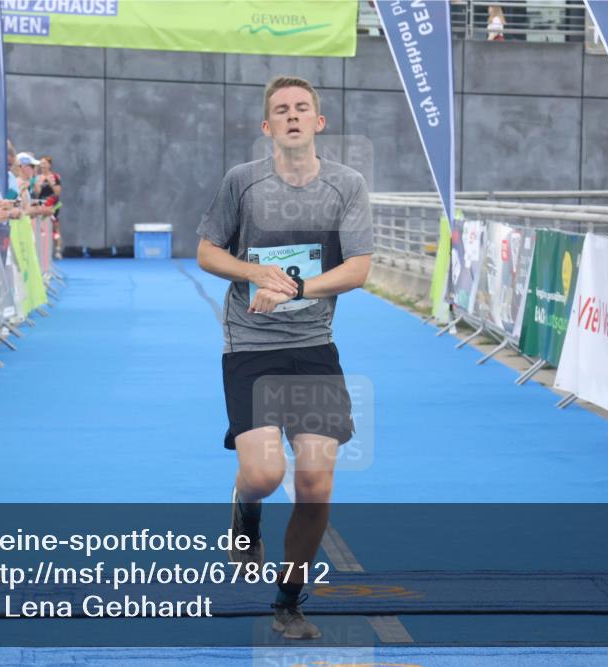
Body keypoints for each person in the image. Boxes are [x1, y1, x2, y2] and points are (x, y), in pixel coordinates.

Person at [195, 75, 372, 640]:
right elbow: (206, 251)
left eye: (302, 108)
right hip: (250, 345)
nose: (292, 116)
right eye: (281, 110)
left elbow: (360, 268)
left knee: (316, 483)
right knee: (265, 473)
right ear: (267, 126)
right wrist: (255, 273)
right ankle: (245, 509)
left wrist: (297, 289)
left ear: (319, 123)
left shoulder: (347, 185)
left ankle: (288, 600)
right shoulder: (241, 183)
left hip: (314, 347)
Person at [34, 155, 63, 257]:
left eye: (44, 163)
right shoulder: (38, 177)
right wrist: (39, 184)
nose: (43, 165)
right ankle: (43, 250)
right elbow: (37, 193)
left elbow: (57, 192)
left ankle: (58, 249)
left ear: (49, 165)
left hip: (53, 204)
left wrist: (51, 183)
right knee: (42, 227)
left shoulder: (55, 177)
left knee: (55, 226)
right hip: (42, 204)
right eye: (41, 163)